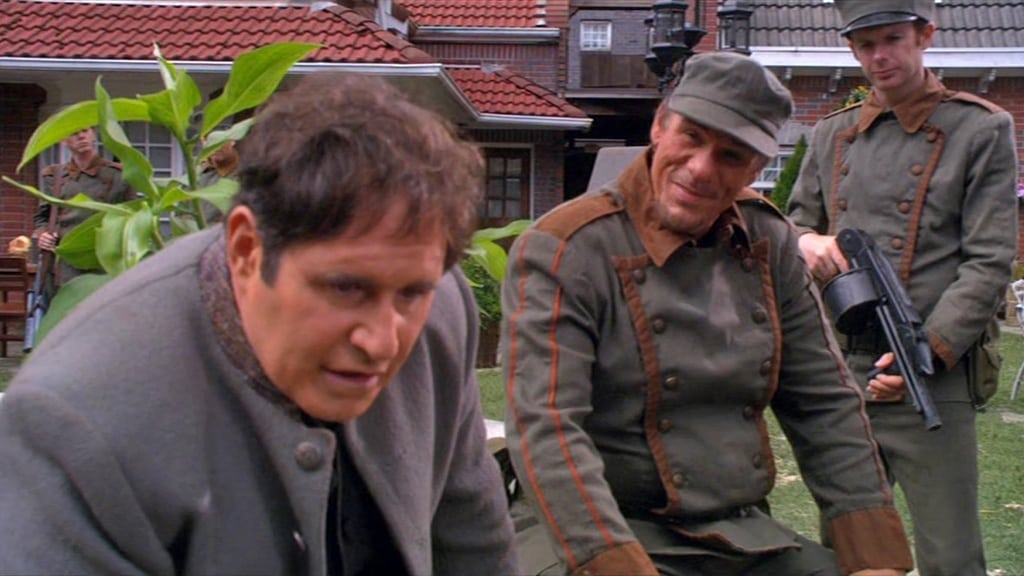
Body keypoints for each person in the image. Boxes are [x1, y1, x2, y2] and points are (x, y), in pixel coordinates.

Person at [0, 72, 518, 575]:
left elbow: (473, 538)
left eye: (412, 294)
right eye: (344, 288)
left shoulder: (443, 304)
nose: (382, 341)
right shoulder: (76, 424)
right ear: (248, 250)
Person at [501, 51, 913, 576]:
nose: (701, 168)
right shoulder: (566, 247)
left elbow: (825, 403)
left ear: (755, 170)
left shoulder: (771, 242)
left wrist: (872, 557)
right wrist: (615, 564)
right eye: (691, 137)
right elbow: (548, 426)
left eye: (730, 155)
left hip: (732, 534)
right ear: (659, 125)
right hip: (588, 530)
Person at [787, 1, 1019, 574]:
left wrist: (925, 351)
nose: (880, 57)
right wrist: (806, 242)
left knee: (950, 554)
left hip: (931, 372)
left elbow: (989, 259)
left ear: (925, 36)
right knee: (851, 548)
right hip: (846, 373)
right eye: (866, 46)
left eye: (893, 39)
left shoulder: (979, 128)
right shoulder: (831, 135)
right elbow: (793, 224)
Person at [34, 126, 133, 284]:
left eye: (85, 131)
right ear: (64, 140)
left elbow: (131, 216)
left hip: (102, 260)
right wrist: (43, 235)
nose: (81, 137)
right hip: (63, 263)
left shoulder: (118, 175)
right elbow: (43, 216)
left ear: (93, 134)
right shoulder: (55, 176)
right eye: (74, 133)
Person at [196, 138, 240, 223]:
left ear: (232, 141)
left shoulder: (246, 178)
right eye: (207, 141)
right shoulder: (199, 178)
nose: (214, 146)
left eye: (218, 140)